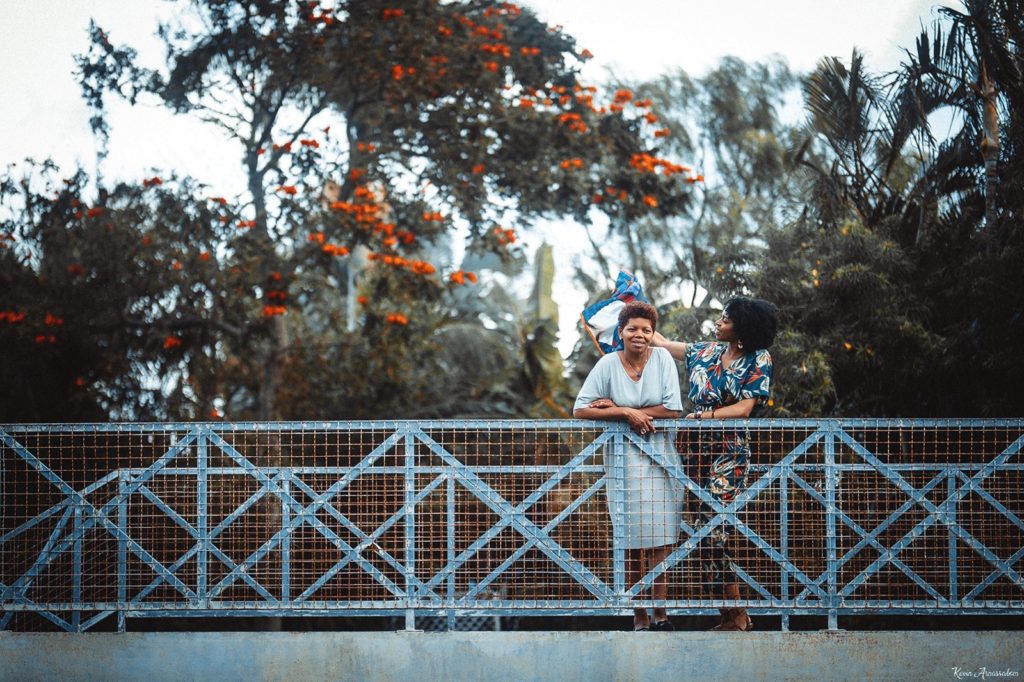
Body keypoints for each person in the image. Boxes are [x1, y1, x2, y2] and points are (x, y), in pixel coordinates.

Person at [652, 295, 777, 631]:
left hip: (729, 450)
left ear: (743, 327)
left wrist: (706, 415)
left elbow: (744, 409)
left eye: (725, 318)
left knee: (713, 527)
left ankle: (737, 614)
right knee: (698, 529)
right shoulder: (705, 351)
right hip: (693, 450)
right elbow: (661, 343)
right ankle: (728, 615)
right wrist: (633, 311)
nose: (718, 322)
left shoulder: (757, 358)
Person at [573, 301, 683, 632]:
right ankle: (638, 615)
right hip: (624, 464)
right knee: (632, 541)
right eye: (633, 329)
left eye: (646, 330)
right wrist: (625, 413)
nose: (640, 335)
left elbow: (673, 410)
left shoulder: (663, 359)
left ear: (653, 334)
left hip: (662, 460)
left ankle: (661, 614)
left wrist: (622, 408)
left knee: (662, 541)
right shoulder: (607, 364)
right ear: (620, 332)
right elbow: (580, 409)